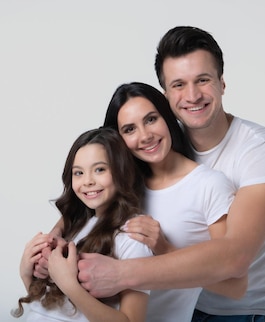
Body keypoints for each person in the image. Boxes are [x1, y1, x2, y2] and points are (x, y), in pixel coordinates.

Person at [74, 26, 265, 321]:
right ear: (166, 95)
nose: (192, 95)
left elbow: (235, 258)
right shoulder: (157, 145)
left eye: (203, 80)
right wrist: (50, 245)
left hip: (248, 312)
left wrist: (123, 273)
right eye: (179, 85)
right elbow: (92, 184)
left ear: (222, 83)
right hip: (180, 306)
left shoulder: (264, 152)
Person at [102, 82, 247, 321]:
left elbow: (235, 285)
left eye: (151, 119)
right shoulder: (122, 186)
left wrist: (165, 249)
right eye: (129, 129)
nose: (145, 136)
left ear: (167, 117)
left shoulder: (209, 186)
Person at [12, 127, 154, 322]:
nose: (87, 181)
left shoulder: (132, 237)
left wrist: (69, 284)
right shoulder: (75, 225)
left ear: (122, 170)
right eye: (78, 173)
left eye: (99, 169)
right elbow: (51, 308)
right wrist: (26, 274)